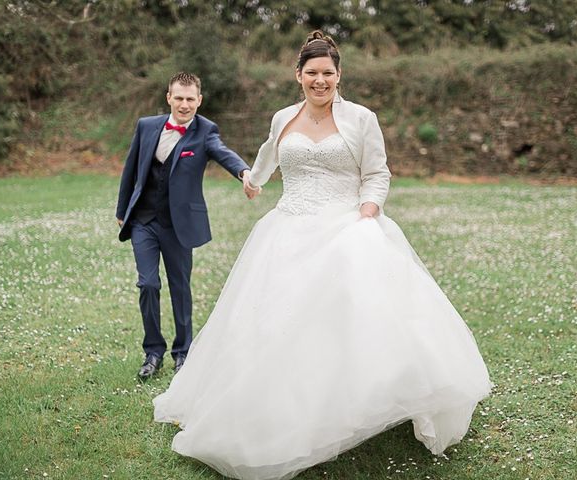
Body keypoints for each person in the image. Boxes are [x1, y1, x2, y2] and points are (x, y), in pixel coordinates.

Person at [153, 33, 492, 479]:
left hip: (347, 224)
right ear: (298, 76)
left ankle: (370, 396)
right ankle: (277, 402)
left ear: (338, 75)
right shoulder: (283, 118)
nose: (320, 80)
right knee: (277, 321)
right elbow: (267, 157)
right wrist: (251, 180)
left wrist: (368, 213)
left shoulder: (361, 118)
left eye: (327, 73)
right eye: (311, 73)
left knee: (361, 309)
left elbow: (377, 172)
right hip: (288, 227)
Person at [115, 72, 252, 380]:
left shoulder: (205, 132)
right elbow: (130, 168)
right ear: (169, 98)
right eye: (179, 98)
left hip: (178, 225)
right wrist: (122, 209)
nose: (185, 104)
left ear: (199, 100)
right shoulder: (147, 126)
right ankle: (152, 352)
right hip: (143, 221)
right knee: (147, 284)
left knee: (180, 287)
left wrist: (244, 172)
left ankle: (183, 352)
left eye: (191, 99)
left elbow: (223, 154)